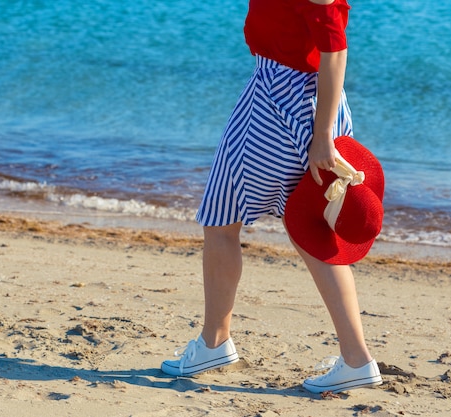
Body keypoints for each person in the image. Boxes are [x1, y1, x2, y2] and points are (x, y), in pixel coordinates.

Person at [161, 0, 383, 394]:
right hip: (282, 96)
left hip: (283, 105)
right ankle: (355, 358)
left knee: (223, 218)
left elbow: (335, 47)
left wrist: (322, 135)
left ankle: (215, 342)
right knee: (310, 230)